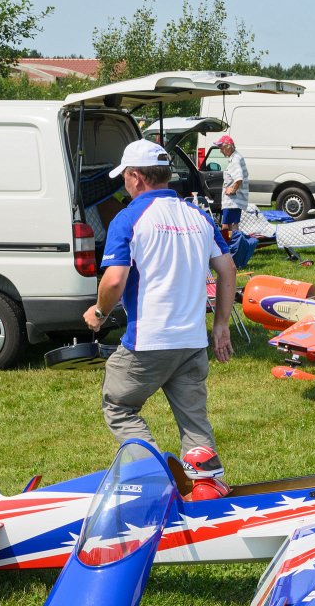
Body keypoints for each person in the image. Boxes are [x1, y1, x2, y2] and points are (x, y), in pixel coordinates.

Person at [84, 139, 237, 497]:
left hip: (147, 342)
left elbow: (115, 279)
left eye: (124, 176)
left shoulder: (129, 218)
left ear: (136, 177)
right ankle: (206, 488)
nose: (124, 183)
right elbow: (227, 270)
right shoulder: (198, 215)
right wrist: (221, 325)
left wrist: (99, 312)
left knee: (120, 404)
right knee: (194, 419)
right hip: (192, 341)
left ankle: (150, 484)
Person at [214, 134, 249, 236]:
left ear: (228, 146)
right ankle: (234, 245)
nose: (220, 150)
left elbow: (239, 178)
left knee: (227, 226)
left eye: (221, 147)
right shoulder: (236, 157)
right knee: (233, 225)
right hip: (235, 202)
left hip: (232, 202)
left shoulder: (235, 160)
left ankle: (231, 246)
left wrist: (232, 190)